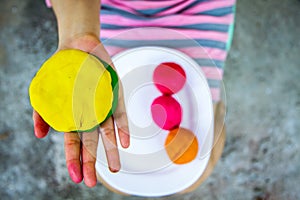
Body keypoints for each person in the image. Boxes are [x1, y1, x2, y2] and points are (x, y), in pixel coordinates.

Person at [33, 0, 236, 190]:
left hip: (199, 7)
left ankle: (218, 108)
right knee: (109, 172)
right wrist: (78, 32)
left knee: (201, 166)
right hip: (99, 7)